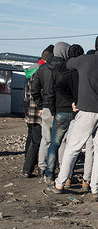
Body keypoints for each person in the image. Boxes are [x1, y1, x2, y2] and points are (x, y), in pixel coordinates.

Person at [50, 34, 98, 198]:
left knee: (72, 148)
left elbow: (65, 65)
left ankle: (60, 183)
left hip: (86, 112)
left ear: (95, 46)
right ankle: (95, 188)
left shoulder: (83, 60)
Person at [45, 43, 83, 184]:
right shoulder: (76, 72)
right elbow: (78, 92)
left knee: (54, 144)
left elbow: (50, 93)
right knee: (70, 146)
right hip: (74, 112)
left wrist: (53, 111)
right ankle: (66, 175)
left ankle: (49, 174)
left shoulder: (56, 71)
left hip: (60, 111)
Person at [31, 43, 68, 178]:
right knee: (62, 141)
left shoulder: (42, 69)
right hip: (62, 108)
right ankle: (63, 170)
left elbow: (34, 90)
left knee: (46, 139)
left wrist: (41, 105)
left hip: (46, 108)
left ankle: (42, 168)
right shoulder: (66, 68)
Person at [22, 45, 54, 179]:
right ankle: (28, 169)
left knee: (31, 138)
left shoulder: (31, 70)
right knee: (37, 141)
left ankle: (28, 164)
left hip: (30, 109)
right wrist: (42, 106)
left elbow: (28, 93)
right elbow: (38, 92)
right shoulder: (42, 72)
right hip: (38, 111)